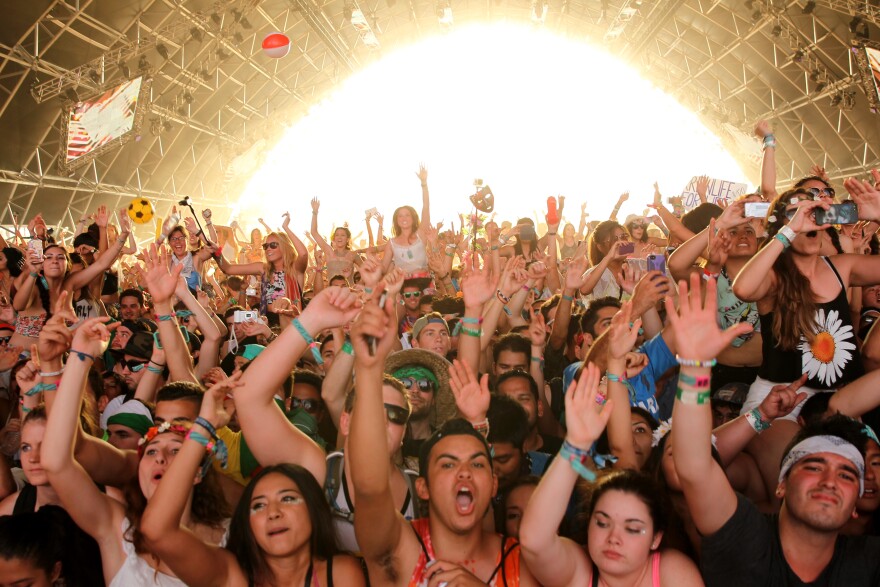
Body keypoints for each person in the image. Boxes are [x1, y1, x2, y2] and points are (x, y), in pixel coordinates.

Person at [668, 271, 880, 585]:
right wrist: (694, 366)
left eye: (847, 475)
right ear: (781, 484)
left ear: (855, 506)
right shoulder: (743, 536)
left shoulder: (869, 562)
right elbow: (693, 467)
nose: (829, 481)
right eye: (814, 466)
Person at [348, 294, 538, 586]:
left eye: (477, 464)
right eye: (448, 465)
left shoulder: (521, 562)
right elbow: (370, 486)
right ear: (422, 487)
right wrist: (369, 368)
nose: (464, 473)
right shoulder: (399, 550)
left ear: (493, 484)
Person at [41, 317, 230, 586]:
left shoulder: (230, 540)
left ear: (198, 468)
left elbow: (161, 530)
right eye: (151, 452)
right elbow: (56, 460)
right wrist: (77, 358)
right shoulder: (118, 531)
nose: (160, 458)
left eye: (177, 450)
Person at [140, 374, 365, 587]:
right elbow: (157, 530)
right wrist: (204, 425)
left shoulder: (340, 573)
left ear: (313, 508)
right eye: (258, 505)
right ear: (247, 524)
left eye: (288, 498)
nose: (273, 513)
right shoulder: (232, 574)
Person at [733, 187, 880, 502]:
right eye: (796, 212)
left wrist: (879, 216)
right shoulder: (774, 276)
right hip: (779, 403)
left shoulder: (841, 267)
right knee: (796, 495)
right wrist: (789, 231)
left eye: (815, 211)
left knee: (846, 498)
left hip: (840, 401)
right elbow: (743, 288)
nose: (808, 218)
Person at [519, 362, 702, 586]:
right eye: (602, 523)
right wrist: (574, 445)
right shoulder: (578, 571)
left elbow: (622, 448)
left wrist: (697, 365)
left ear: (656, 538)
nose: (614, 539)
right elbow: (534, 541)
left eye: (632, 529)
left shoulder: (672, 572)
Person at [12, 210, 131, 349]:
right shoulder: (35, 285)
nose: (55, 261)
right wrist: (33, 270)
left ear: (68, 265)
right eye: (49, 258)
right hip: (21, 357)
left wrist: (124, 234)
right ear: (42, 264)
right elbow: (18, 306)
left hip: (59, 357)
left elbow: (101, 264)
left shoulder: (70, 283)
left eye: (60, 257)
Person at [218, 217, 309, 320]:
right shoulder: (263, 268)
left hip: (292, 323)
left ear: (285, 246)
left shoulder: (295, 269)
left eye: (273, 245)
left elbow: (303, 254)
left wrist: (286, 228)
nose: (268, 249)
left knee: (237, 318)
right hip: (266, 320)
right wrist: (216, 252)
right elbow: (228, 269)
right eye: (266, 246)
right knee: (234, 318)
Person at [381, 164, 433, 280]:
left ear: (413, 218)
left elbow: (426, 207)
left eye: (407, 215)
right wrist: (372, 262)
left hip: (424, 283)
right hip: (403, 285)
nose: (404, 219)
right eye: (400, 216)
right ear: (396, 221)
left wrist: (424, 183)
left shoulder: (420, 234)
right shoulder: (391, 243)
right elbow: (384, 268)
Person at [311, 197, 363, 282]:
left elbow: (367, 272)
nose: (339, 237)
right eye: (337, 235)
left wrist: (359, 285)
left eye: (343, 235)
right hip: (332, 290)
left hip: (348, 290)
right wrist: (315, 212)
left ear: (347, 239)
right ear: (334, 238)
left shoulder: (353, 255)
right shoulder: (329, 252)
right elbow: (314, 232)